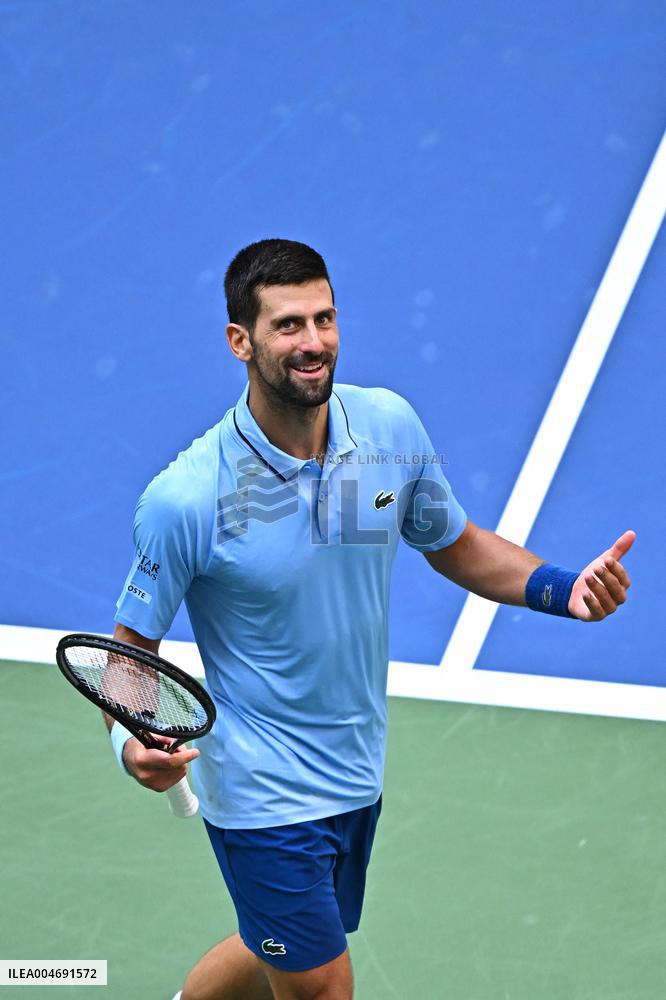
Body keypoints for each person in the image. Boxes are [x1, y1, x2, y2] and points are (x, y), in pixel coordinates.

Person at [107, 239, 634, 1000]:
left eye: (324, 318)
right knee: (321, 983)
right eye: (288, 325)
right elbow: (128, 658)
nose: (314, 341)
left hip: (354, 767)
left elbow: (454, 544)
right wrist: (133, 745)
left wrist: (562, 588)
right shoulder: (188, 498)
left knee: (278, 946)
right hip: (263, 789)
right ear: (240, 342)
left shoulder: (386, 430)